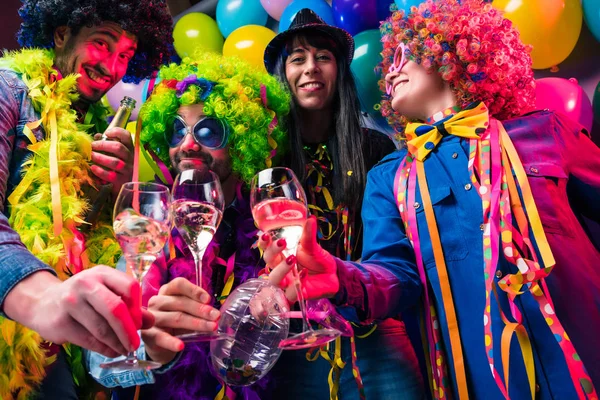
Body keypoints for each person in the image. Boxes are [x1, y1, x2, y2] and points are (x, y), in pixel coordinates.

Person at [266, 0, 600, 399]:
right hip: (482, 383)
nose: (390, 70)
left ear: (450, 52)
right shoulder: (388, 177)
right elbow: (394, 274)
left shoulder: (546, 130)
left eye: (405, 54)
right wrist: (340, 277)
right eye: (389, 60)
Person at [85, 50, 291, 399]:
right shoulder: (151, 227)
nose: (188, 144)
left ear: (243, 143)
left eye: (209, 131)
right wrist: (150, 350)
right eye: (177, 130)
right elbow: (97, 361)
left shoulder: (267, 227)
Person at [0, 0, 173, 398]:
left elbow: (84, 242)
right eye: (101, 44)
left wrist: (113, 192)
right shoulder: (9, 89)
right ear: (62, 33)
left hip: (64, 349)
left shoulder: (96, 127)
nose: (112, 68)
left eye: (125, 56)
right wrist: (42, 297)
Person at [262, 8, 424, 400]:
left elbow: (396, 253)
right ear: (283, 75)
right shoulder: (266, 155)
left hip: (372, 329)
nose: (311, 68)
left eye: (323, 57)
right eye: (298, 59)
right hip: (296, 337)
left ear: (339, 71)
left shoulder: (376, 147)